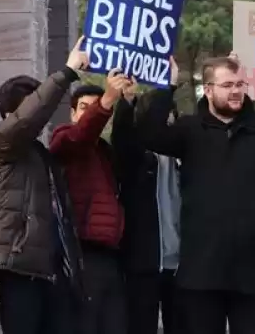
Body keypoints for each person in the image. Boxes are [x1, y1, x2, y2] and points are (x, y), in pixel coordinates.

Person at [138, 56, 255, 334]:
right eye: (228, 84)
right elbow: (149, 134)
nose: (236, 90)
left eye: (240, 84)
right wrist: (168, 87)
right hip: (201, 271)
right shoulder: (190, 130)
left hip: (253, 272)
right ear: (209, 89)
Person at [0, 37, 89, 334]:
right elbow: (28, 118)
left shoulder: (40, 154)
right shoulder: (0, 144)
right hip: (18, 266)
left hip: (50, 268)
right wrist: (66, 73)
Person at [49, 72, 132, 334]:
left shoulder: (105, 152)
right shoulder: (64, 139)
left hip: (111, 254)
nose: (90, 113)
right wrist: (107, 98)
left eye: (95, 107)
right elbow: (80, 136)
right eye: (84, 108)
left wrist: (128, 100)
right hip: (82, 253)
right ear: (72, 113)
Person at [113, 87, 182, 334]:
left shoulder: (185, 156)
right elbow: (121, 137)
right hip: (144, 263)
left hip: (182, 265)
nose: (168, 121)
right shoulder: (136, 158)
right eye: (161, 115)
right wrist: (126, 101)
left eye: (171, 115)